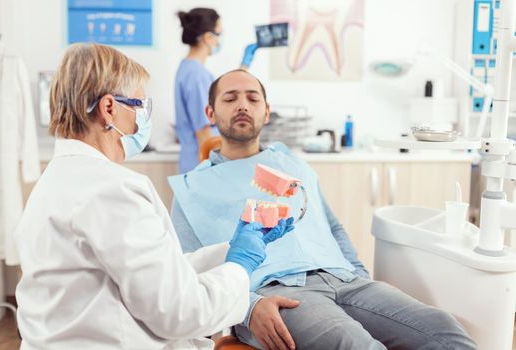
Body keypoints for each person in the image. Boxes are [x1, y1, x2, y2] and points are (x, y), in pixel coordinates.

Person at [168, 69, 477, 350]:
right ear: (210, 112)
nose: (243, 105)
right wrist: (248, 310)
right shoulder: (191, 189)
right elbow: (188, 273)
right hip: (275, 294)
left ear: (266, 111)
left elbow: (334, 229)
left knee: (445, 331)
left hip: (344, 280)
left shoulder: (293, 166)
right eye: (230, 98)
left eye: (252, 98)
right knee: (357, 345)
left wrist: (361, 276)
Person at [14, 44, 293, 350]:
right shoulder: (111, 190)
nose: (141, 120)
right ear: (109, 109)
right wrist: (241, 264)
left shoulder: (57, 180)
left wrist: (230, 249)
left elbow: (154, 269)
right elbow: (182, 311)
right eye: (140, 106)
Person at [175, 8, 259, 173]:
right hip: (202, 166)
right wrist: (216, 172)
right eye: (220, 32)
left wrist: (244, 66)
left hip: (194, 162)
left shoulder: (188, 68)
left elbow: (224, 92)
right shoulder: (197, 75)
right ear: (208, 37)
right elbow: (204, 132)